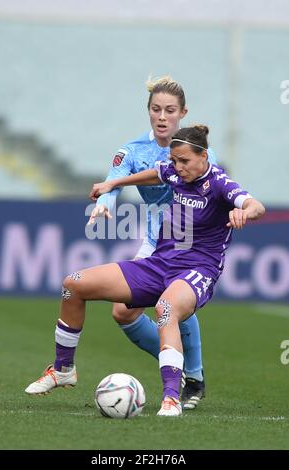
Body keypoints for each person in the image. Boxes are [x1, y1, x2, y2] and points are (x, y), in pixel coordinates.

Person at [25, 125, 265, 417]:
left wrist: (244, 212)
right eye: (175, 160)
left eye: (184, 161)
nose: (178, 167)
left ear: (204, 156)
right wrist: (113, 184)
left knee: (166, 308)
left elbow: (255, 206)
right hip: (159, 263)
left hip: (197, 270)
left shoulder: (218, 183)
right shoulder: (175, 171)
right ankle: (63, 369)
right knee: (73, 284)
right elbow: (158, 173)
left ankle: (171, 398)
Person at [88, 76, 218, 409]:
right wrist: (105, 204)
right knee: (122, 312)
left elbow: (215, 191)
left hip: (189, 243)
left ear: (183, 113)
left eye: (170, 110)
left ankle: (194, 376)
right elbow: (113, 183)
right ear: (148, 111)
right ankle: (175, 362)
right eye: (156, 109)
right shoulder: (132, 151)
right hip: (154, 242)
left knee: (173, 304)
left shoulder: (199, 153)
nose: (162, 116)